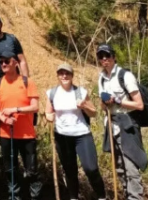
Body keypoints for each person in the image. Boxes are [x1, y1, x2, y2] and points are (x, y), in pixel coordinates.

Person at [45, 63, 106, 200]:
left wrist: (84, 106)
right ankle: (73, 197)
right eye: (61, 73)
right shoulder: (52, 93)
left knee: (91, 168)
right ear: (58, 75)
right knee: (69, 170)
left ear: (72, 75)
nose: (64, 76)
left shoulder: (80, 92)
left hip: (82, 135)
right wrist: (49, 117)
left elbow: (94, 113)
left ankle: (102, 196)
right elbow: (48, 112)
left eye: (67, 73)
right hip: (62, 136)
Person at [97, 44, 147, 200]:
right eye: (101, 56)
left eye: (107, 55)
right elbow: (102, 106)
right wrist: (105, 103)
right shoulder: (101, 78)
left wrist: (117, 101)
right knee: (119, 167)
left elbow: (139, 105)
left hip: (127, 125)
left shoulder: (125, 76)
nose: (104, 59)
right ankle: (127, 195)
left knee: (131, 166)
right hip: (111, 125)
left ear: (114, 57)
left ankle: (135, 197)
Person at [0, 51, 41, 200]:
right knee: (10, 169)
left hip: (27, 134)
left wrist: (16, 109)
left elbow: (35, 107)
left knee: (31, 170)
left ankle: (35, 197)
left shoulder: (27, 82)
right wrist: (4, 119)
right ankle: (14, 197)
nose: (3, 64)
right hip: (6, 134)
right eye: (1, 62)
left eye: (6, 61)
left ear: (16, 63)